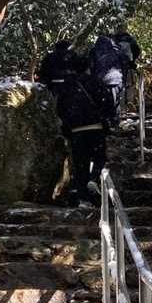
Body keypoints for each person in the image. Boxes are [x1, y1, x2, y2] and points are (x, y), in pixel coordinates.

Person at [55, 55, 110, 205]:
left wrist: (68, 121)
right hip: (96, 126)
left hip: (76, 130)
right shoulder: (96, 82)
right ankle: (94, 178)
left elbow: (60, 108)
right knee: (99, 157)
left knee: (81, 164)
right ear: (88, 67)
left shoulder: (67, 86)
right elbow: (107, 102)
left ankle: (83, 199)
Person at [89, 32, 125, 122]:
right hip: (117, 79)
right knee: (116, 101)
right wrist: (122, 76)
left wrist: (94, 78)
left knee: (101, 102)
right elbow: (123, 63)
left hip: (101, 80)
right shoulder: (115, 50)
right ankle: (116, 120)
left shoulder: (94, 51)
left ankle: (105, 120)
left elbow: (91, 66)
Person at [113, 28, 141, 100]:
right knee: (130, 85)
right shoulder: (131, 40)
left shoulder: (114, 41)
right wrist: (133, 60)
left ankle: (119, 101)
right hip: (129, 67)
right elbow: (137, 51)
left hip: (117, 68)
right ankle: (129, 101)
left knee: (118, 86)